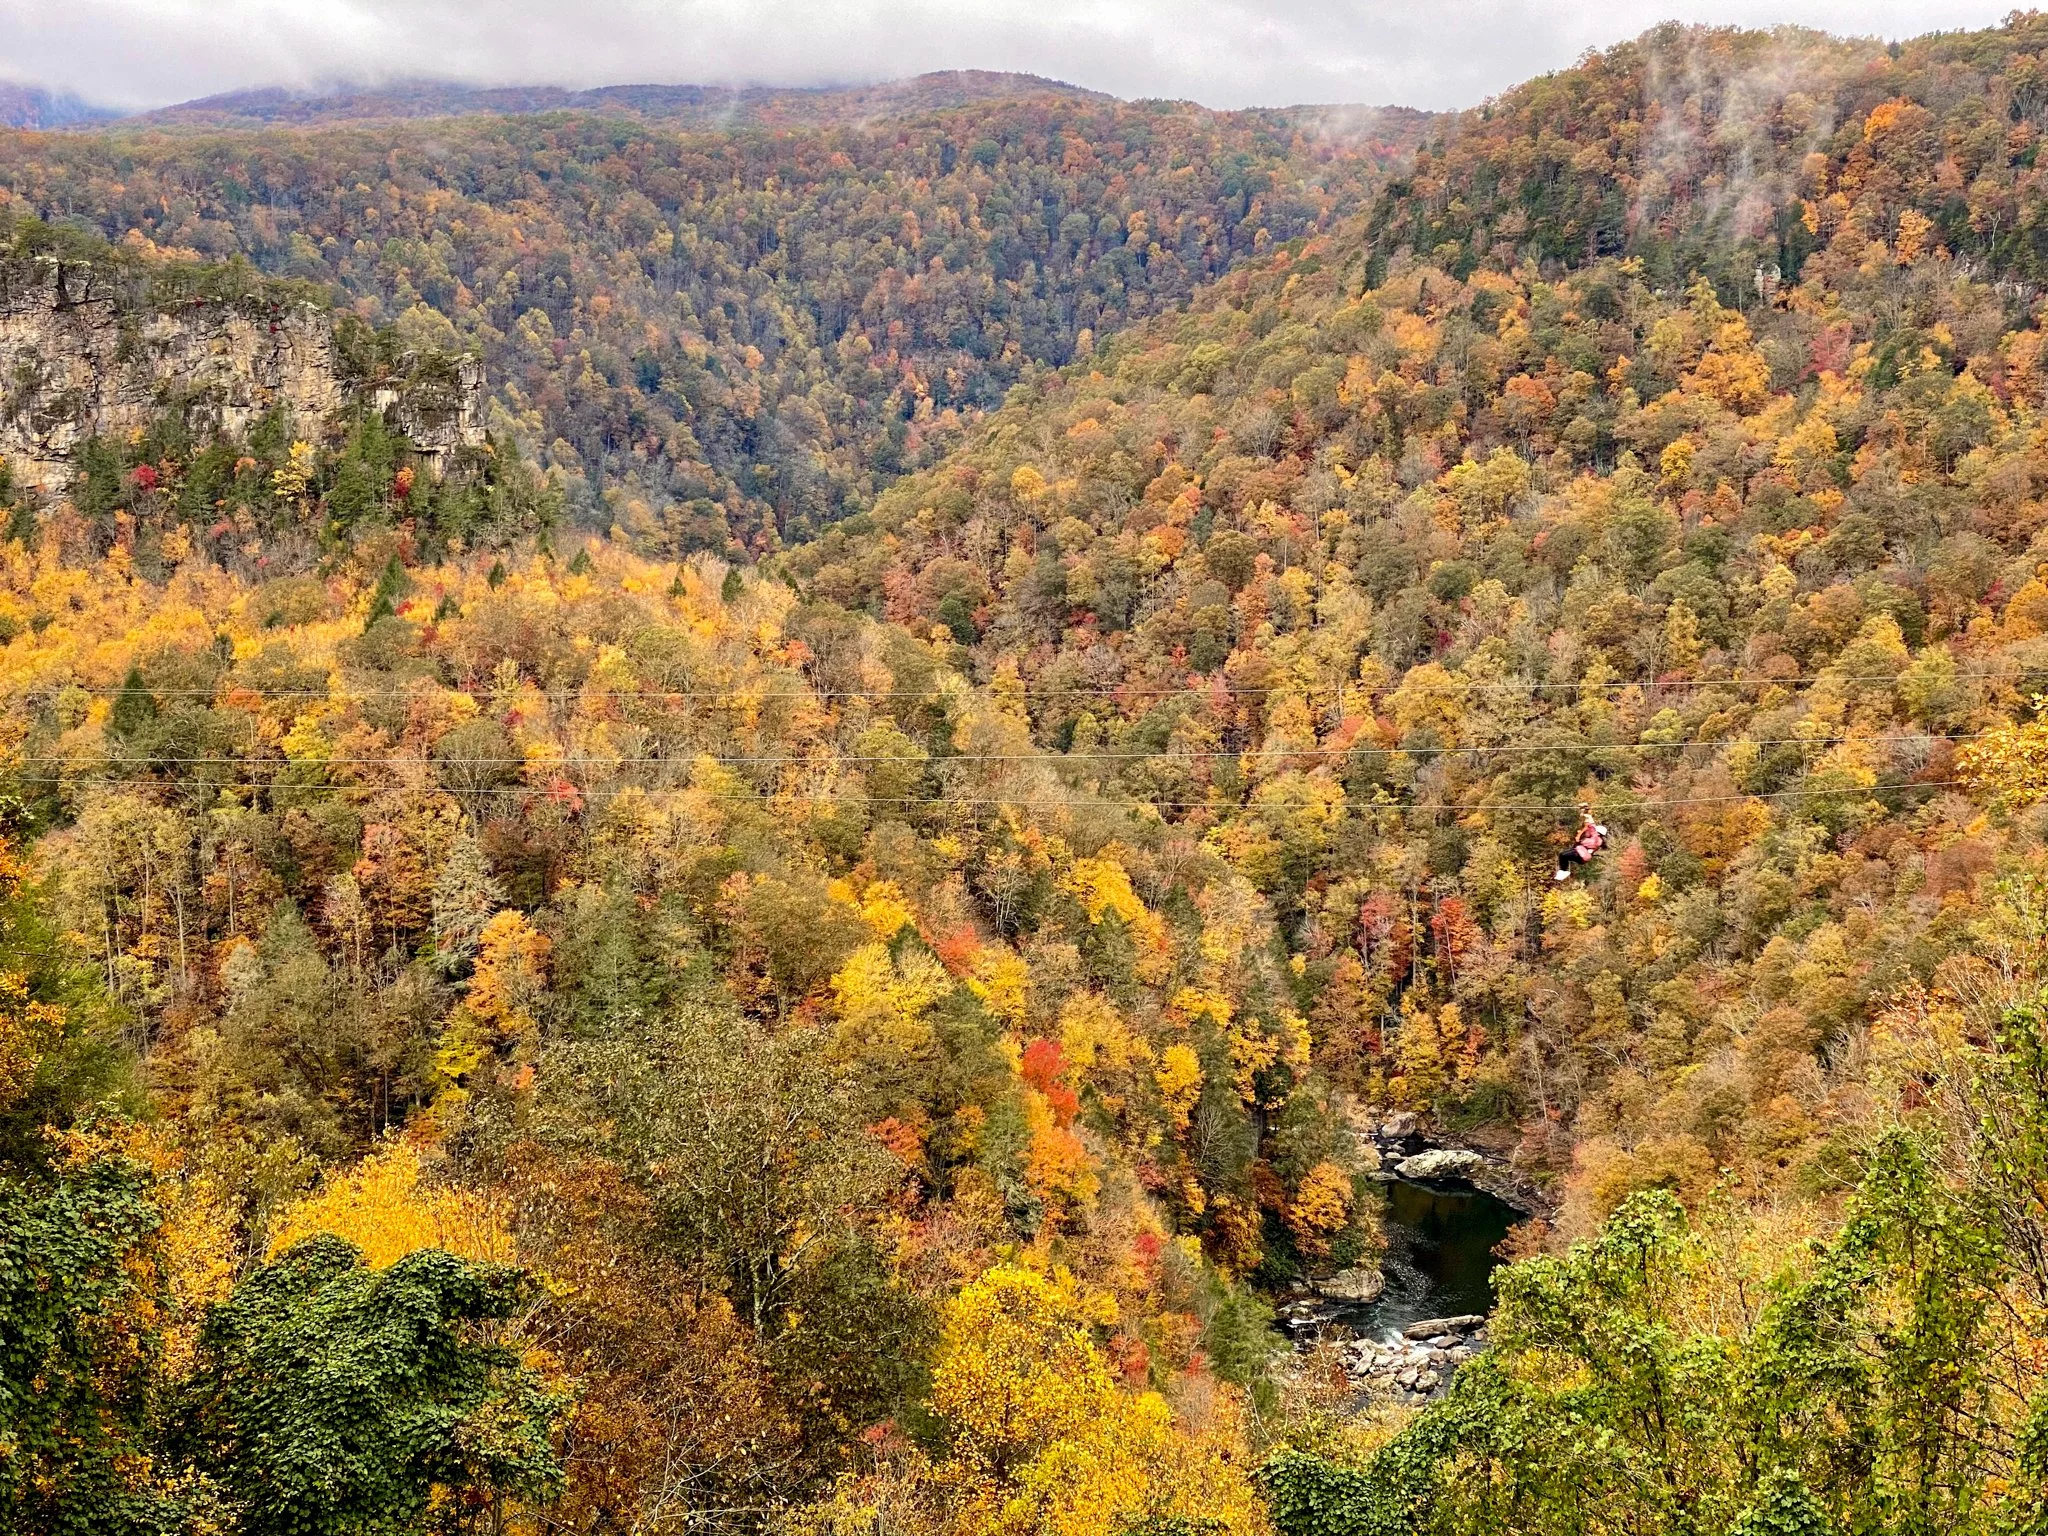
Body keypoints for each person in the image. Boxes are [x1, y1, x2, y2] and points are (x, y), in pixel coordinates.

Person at [1554, 806, 1607, 880]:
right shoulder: (1599, 840)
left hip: (1580, 854)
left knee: (1563, 855)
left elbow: (1592, 826)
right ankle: (1563, 871)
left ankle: (1563, 871)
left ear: (1598, 832)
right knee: (1565, 855)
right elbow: (1591, 827)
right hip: (1583, 858)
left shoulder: (1596, 837)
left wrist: (1588, 816)